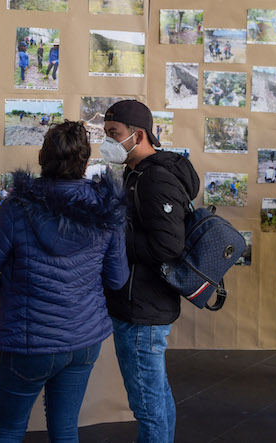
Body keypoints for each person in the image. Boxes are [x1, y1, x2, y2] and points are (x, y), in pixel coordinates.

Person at [0, 121, 127, 442]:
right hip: (83, 340)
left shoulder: (16, 209)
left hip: (30, 342)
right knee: (66, 429)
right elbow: (117, 278)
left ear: (41, 157)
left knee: (8, 430)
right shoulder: (106, 210)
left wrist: (15, 290)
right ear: (85, 162)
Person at [102, 100, 198, 442]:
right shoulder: (136, 173)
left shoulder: (156, 178)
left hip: (143, 307)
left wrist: (116, 240)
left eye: (114, 134)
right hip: (138, 302)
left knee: (147, 404)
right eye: (106, 134)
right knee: (154, 395)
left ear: (138, 135)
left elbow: (168, 246)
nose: (108, 142)